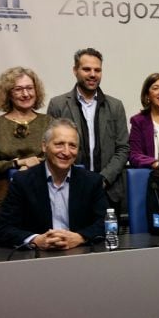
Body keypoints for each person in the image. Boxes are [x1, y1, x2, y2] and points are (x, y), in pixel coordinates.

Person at [0, 118, 107, 250]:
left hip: (79, 255)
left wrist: (79, 237)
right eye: (59, 144)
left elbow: (107, 223)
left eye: (72, 145)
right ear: (44, 146)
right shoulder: (22, 182)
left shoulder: (92, 181)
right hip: (36, 260)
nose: (66, 152)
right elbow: (2, 230)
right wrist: (36, 240)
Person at [47, 48, 129, 213]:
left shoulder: (115, 106)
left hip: (108, 191)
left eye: (97, 70)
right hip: (69, 189)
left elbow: (123, 148)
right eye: (86, 69)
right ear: (75, 71)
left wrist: (103, 179)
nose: (92, 74)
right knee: (72, 238)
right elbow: (51, 147)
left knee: (108, 238)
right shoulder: (58, 105)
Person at [0, 67, 53, 241]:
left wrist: (37, 162)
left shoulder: (49, 122)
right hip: (2, 201)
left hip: (42, 199)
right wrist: (17, 163)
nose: (25, 94)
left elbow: (58, 157)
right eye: (18, 89)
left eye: (29, 88)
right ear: (7, 94)